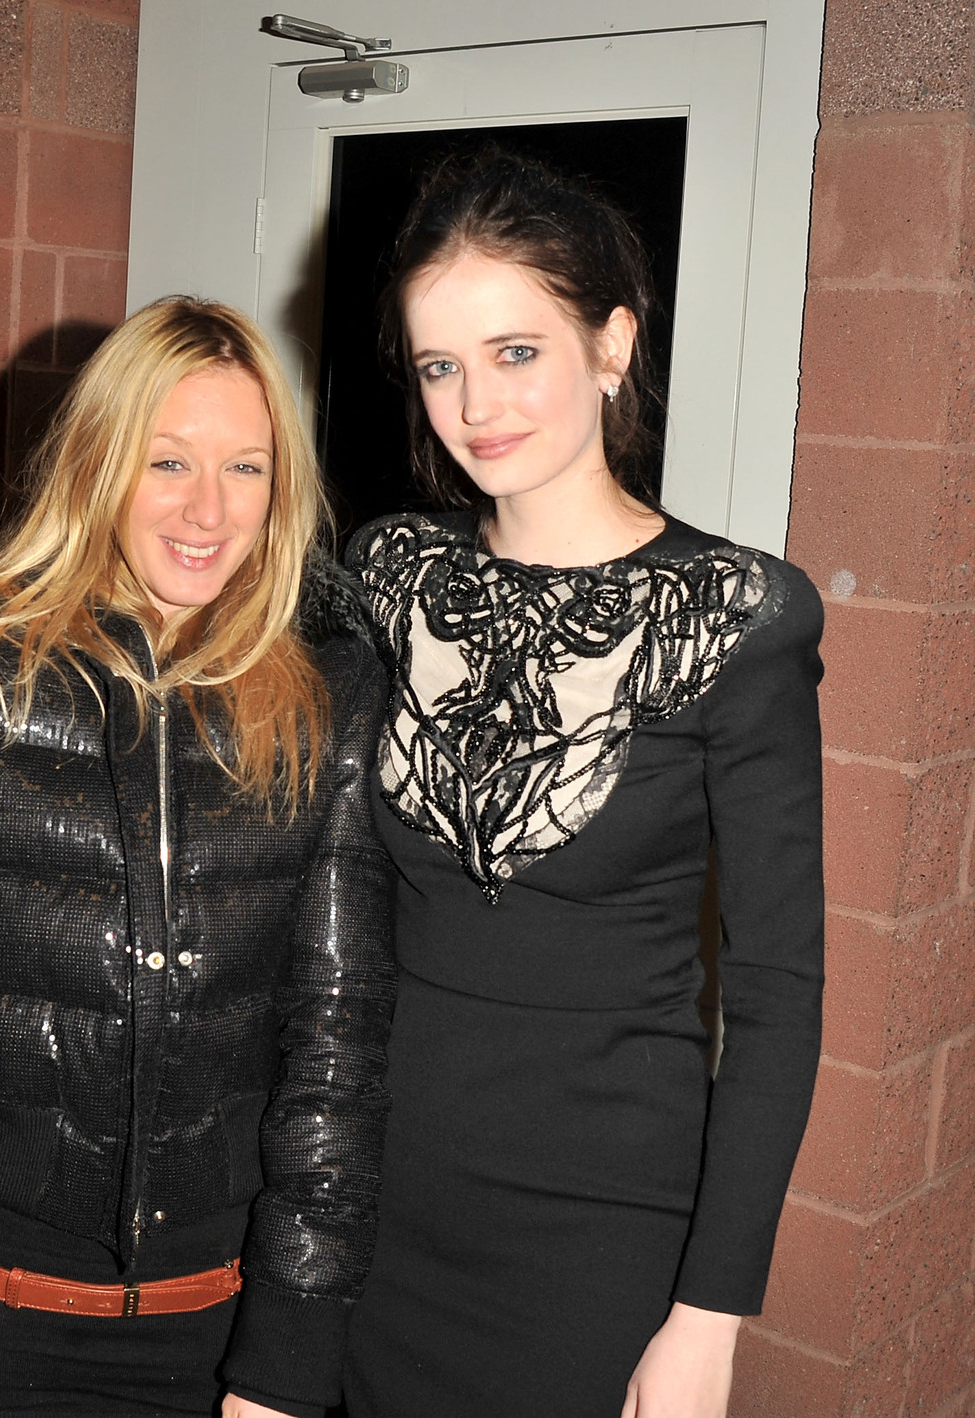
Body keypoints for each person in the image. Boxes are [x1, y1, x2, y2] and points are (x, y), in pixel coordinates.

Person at [0, 298, 398, 1418]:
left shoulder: (326, 692)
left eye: (245, 467)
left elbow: (336, 1043)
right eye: (168, 461)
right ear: (100, 466)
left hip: (213, 1323)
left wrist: (290, 1346)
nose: (209, 508)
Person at [339, 150, 825, 1418]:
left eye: (515, 352)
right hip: (375, 1190)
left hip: (597, 1224)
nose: (473, 405)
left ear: (612, 343)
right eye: (439, 365)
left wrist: (709, 1312)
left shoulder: (731, 613)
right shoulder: (386, 573)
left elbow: (777, 991)